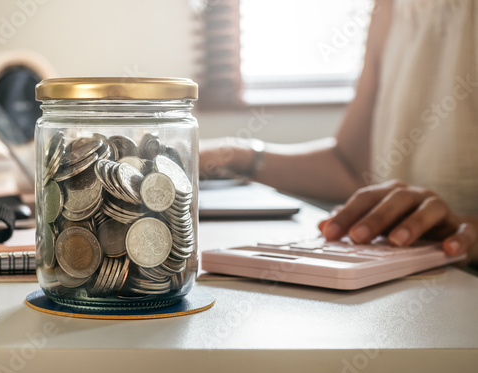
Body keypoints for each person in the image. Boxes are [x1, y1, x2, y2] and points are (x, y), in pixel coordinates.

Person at [199, 0, 478, 265]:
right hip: (400, 265)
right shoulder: (390, 6)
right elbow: (352, 167)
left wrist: (465, 229)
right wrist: (234, 154)